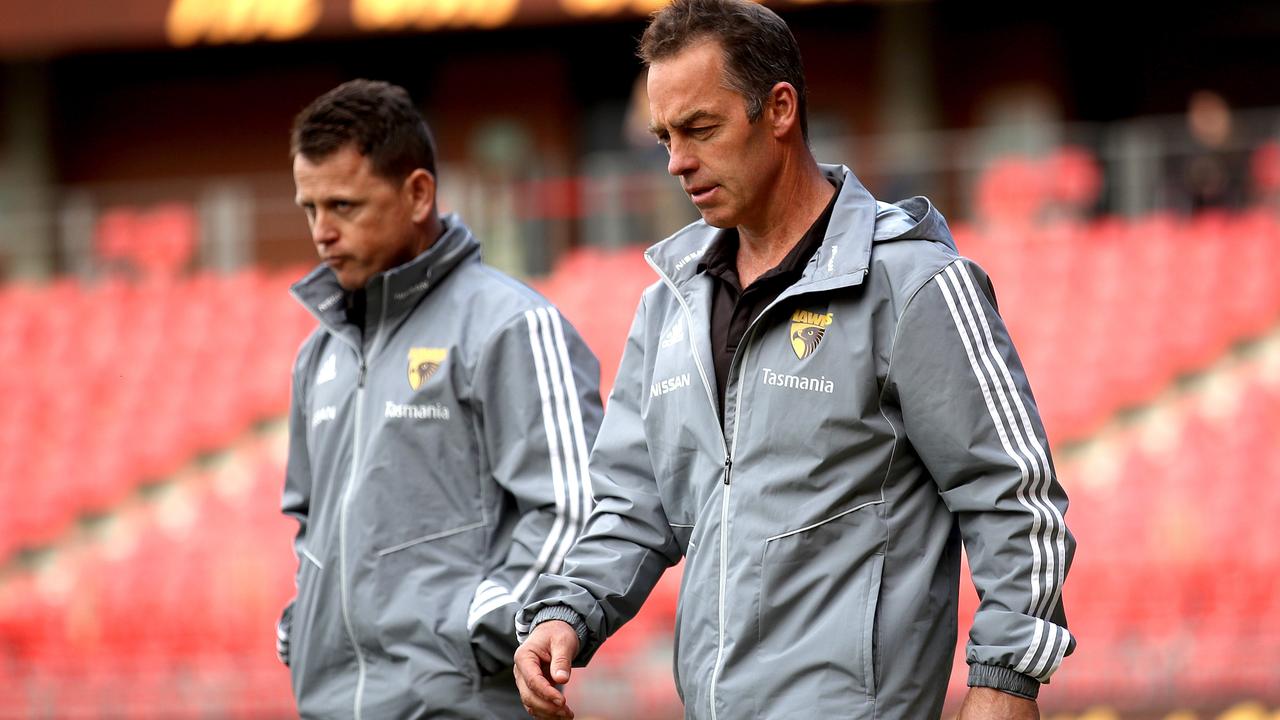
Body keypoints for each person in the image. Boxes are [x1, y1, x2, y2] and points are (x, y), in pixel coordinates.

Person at [512, 2, 1073, 719]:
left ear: (779, 109)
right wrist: (570, 611)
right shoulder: (669, 305)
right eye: (664, 137)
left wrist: (1006, 677)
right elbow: (633, 499)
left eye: (700, 129)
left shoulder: (914, 285)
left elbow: (1015, 496)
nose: (677, 161)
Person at [275, 79, 603, 719]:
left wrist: (481, 621)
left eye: (344, 205)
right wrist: (301, 623)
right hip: (329, 705)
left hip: (456, 702)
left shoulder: (510, 325)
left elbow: (576, 505)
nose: (322, 232)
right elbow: (310, 526)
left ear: (418, 193)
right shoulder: (320, 354)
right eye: (309, 209)